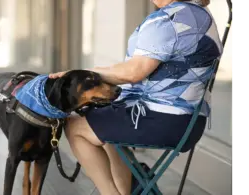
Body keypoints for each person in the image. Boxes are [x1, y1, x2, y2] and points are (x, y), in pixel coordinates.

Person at [49, 0, 222, 194]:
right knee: (103, 125)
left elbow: (133, 72)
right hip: (190, 123)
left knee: (75, 126)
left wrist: (78, 73)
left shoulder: (167, 20)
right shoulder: (201, 15)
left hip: (162, 119)